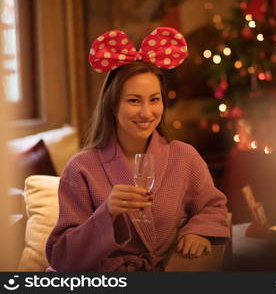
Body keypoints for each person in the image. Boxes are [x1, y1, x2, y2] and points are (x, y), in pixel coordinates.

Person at [45, 27, 230, 272]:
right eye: (133, 100)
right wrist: (106, 213)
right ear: (112, 105)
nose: (146, 113)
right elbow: (62, 257)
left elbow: (213, 206)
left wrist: (198, 231)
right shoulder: (81, 168)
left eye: (154, 99)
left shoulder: (184, 157)